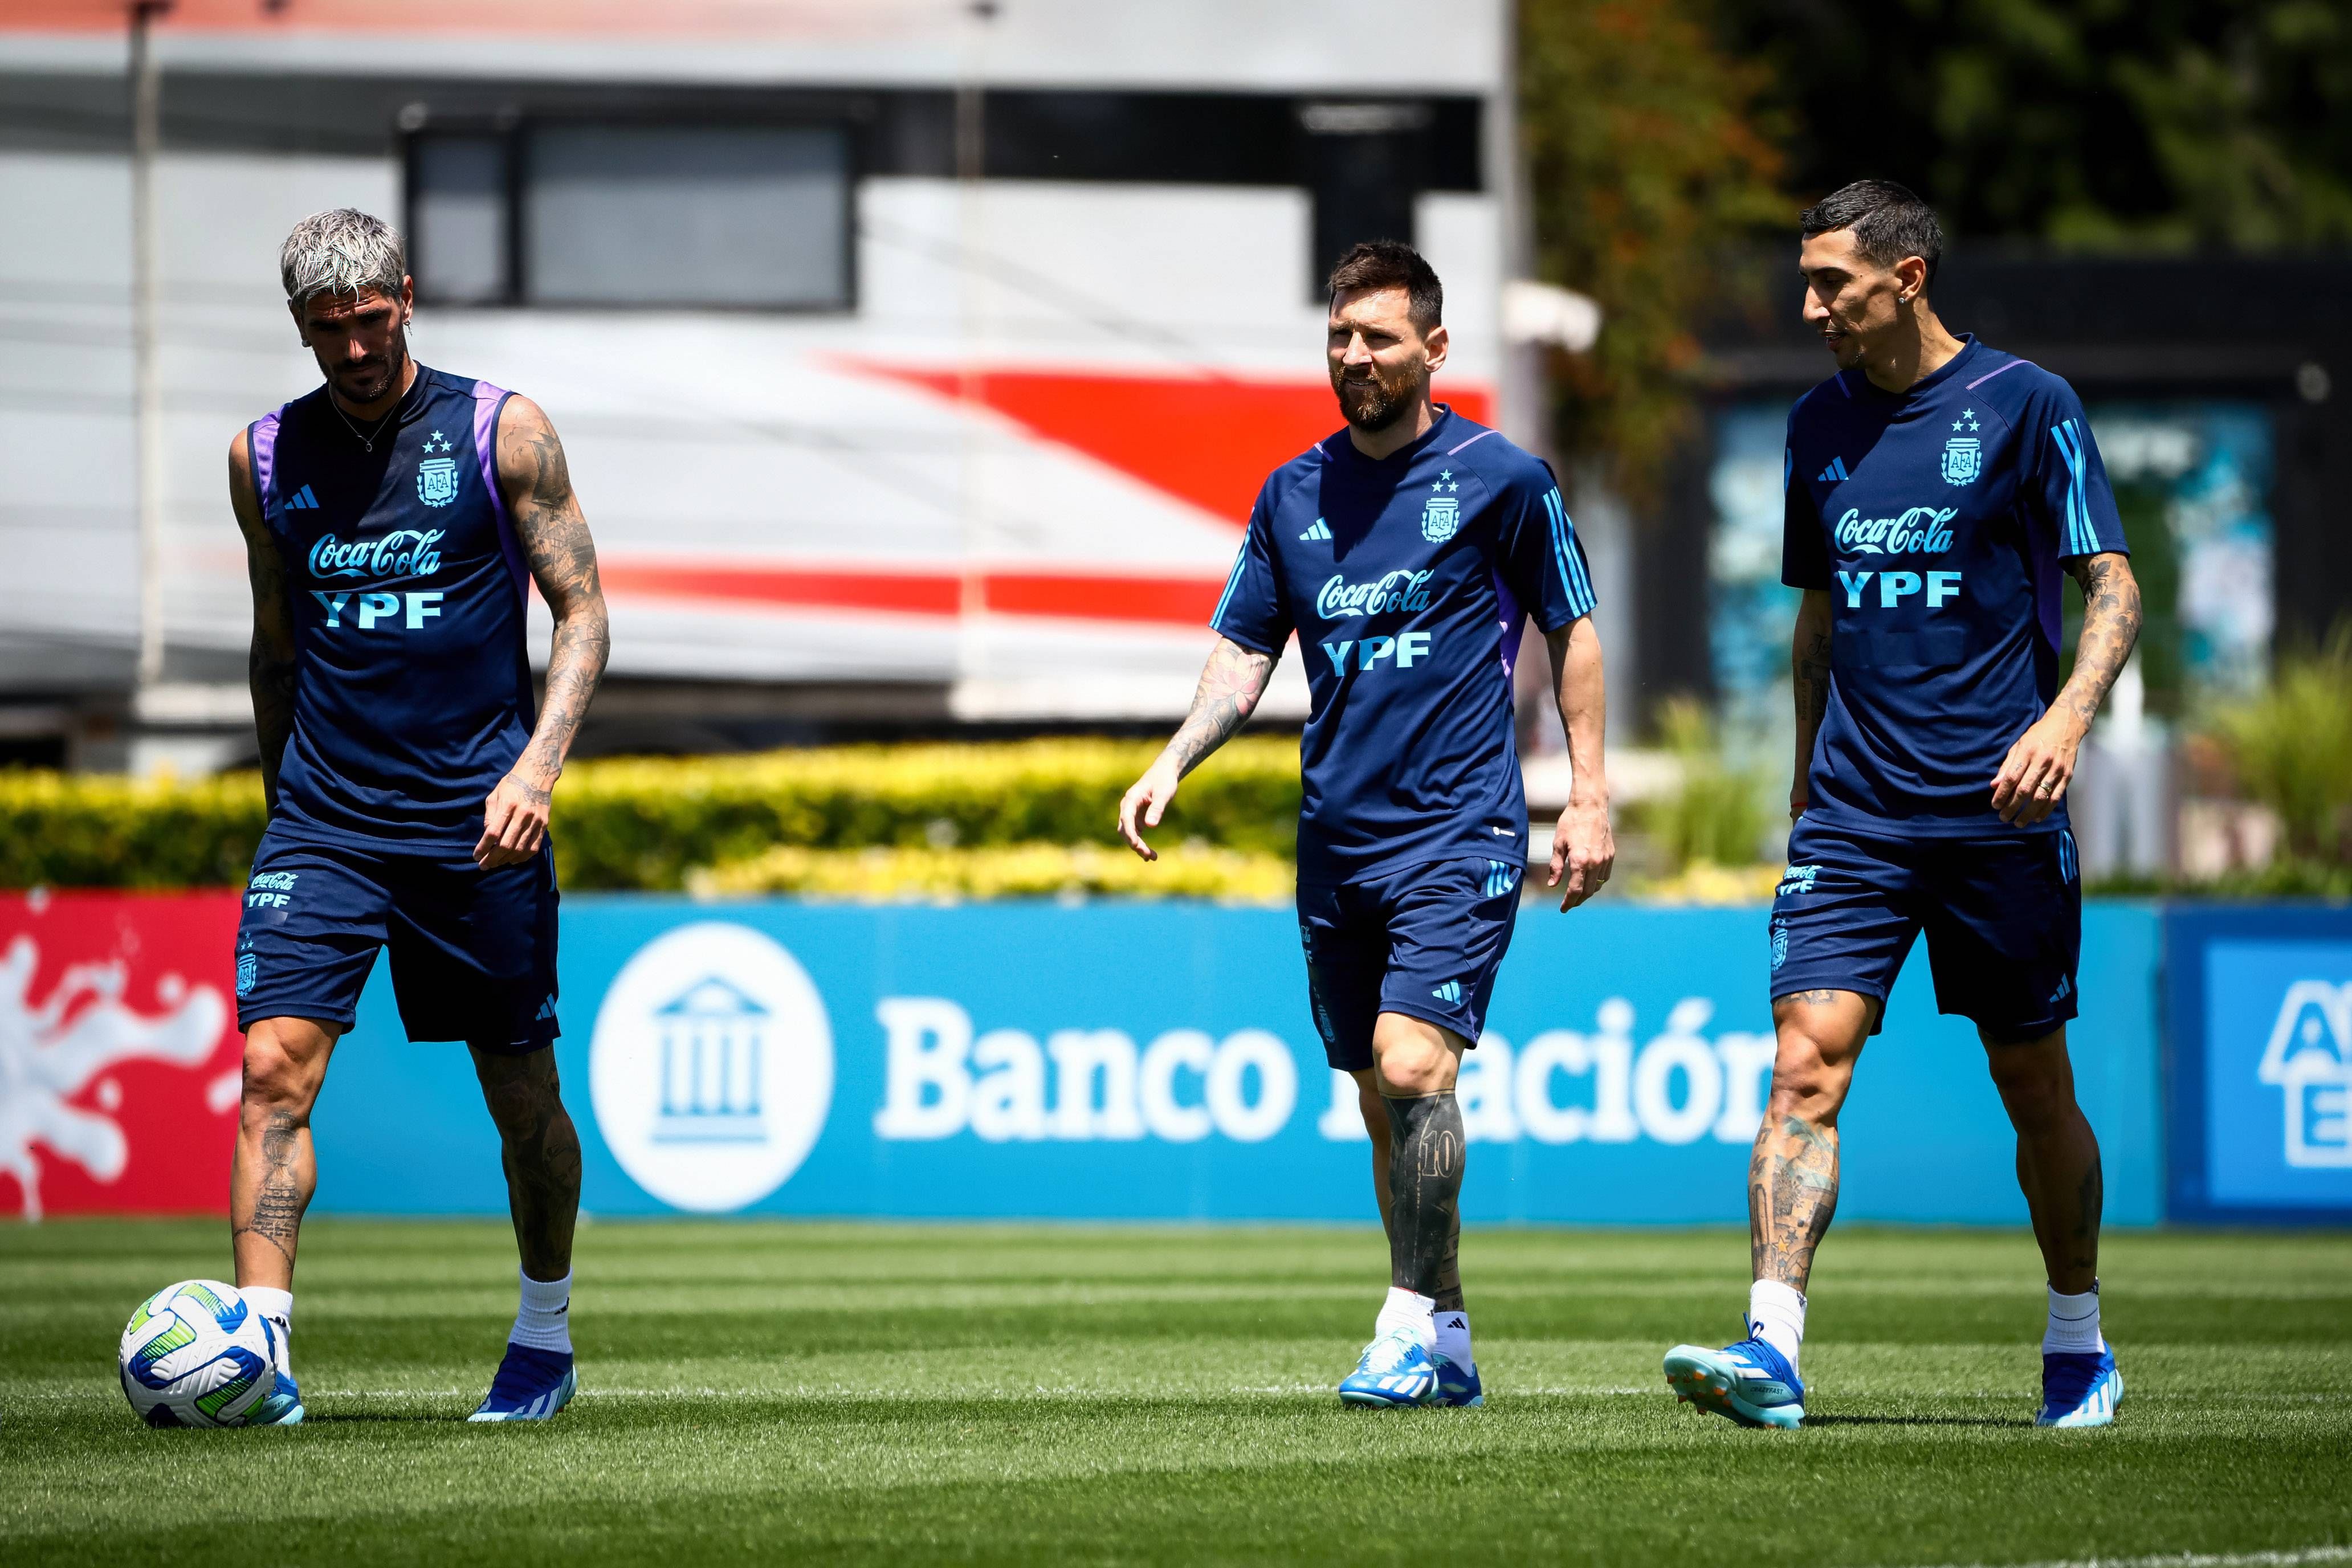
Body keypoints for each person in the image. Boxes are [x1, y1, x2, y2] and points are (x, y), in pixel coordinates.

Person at [1662, 181, 2141, 1430]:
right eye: (1806, 282)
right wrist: (1804, 780)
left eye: (1832, 283)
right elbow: (1818, 618)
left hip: (1999, 812)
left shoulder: (2028, 404)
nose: (1810, 307)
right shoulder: (1815, 425)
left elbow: (2115, 587)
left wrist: (2064, 722)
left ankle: (2078, 1341)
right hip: (1854, 818)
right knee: (1802, 1066)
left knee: (2032, 1084)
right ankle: (1772, 1347)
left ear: (1909, 277)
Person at [1118, 240, 1615, 1408]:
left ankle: (1400, 1328)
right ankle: (1447, 1335)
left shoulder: (1504, 480)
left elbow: (1573, 627)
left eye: (1378, 337)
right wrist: (1175, 757)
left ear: (1434, 349)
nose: (1354, 356)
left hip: (1460, 829)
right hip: (1337, 839)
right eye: (1339, 336)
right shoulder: (1291, 493)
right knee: (1380, 1099)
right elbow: (1247, 649)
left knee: (1413, 1061)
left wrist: (1589, 792)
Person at [225, 209, 610, 1424]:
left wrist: (535, 773)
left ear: (405, 296)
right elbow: (275, 647)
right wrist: (286, 810)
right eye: (326, 329)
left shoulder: (504, 431)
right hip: (325, 822)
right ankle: (259, 1353)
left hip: (476, 823)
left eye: (370, 320)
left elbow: (585, 615)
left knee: (522, 1101)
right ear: (300, 327)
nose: (353, 348)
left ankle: (542, 1339)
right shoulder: (262, 458)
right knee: (271, 1070)